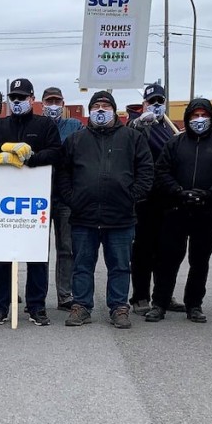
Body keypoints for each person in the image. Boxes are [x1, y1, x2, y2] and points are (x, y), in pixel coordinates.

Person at [58, 91, 154, 328]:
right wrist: (73, 199)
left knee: (120, 266)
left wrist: (130, 198)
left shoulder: (132, 137)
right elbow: (63, 174)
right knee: (82, 265)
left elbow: (146, 171)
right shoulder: (75, 140)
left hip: (120, 217)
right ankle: (81, 306)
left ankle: (119, 307)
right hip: (83, 217)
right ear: (90, 111)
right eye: (96, 106)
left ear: (114, 110)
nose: (101, 110)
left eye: (105, 106)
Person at [0, 77, 62, 326]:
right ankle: (0, 306)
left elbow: (57, 152)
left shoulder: (44, 125)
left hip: (34, 203)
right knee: (2, 254)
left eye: (22, 98)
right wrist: (4, 151)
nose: (17, 102)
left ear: (31, 99)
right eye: (13, 98)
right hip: (3, 202)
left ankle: (36, 306)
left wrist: (30, 158)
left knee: (36, 256)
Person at [145, 98, 212, 324]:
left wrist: (211, 194)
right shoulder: (174, 144)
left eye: (203, 115)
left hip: (206, 212)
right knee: (167, 259)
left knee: (200, 261)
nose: (199, 120)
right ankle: (159, 303)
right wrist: (177, 191)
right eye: (194, 115)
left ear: (211, 118)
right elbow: (161, 172)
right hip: (176, 210)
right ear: (187, 117)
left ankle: (194, 304)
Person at [126, 83, 178, 314]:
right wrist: (139, 124)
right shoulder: (138, 124)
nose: (156, 106)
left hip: (167, 197)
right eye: (151, 102)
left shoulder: (169, 127)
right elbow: (130, 140)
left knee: (166, 250)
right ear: (144, 103)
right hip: (144, 198)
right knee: (143, 249)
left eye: (160, 101)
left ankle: (163, 295)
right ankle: (140, 296)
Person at [41, 86, 82, 311]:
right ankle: (37, 296)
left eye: (57, 101)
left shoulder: (75, 126)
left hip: (66, 197)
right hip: (40, 196)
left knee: (66, 248)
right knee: (39, 249)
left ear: (63, 103)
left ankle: (65, 295)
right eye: (49, 101)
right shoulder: (37, 126)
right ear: (42, 103)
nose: (53, 105)